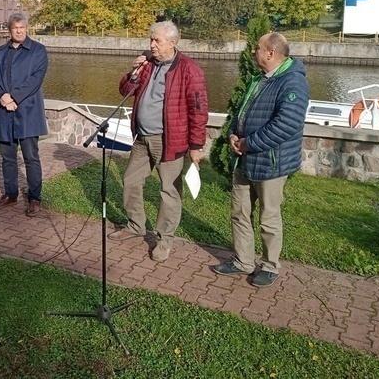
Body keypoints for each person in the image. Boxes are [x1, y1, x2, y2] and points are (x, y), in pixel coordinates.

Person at [211, 32, 309, 288]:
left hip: (271, 163)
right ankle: (243, 261)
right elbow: (240, 112)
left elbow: (286, 125)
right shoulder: (261, 79)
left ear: (271, 53)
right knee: (240, 212)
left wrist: (249, 143)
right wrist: (233, 134)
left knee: (269, 216)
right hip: (245, 160)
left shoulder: (292, 82)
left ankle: (269, 266)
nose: (252, 52)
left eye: (257, 48)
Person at [108, 21, 209, 263]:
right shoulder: (147, 64)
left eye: (157, 41)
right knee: (130, 180)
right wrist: (134, 71)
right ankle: (136, 225)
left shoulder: (189, 70)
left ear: (172, 43)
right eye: (151, 40)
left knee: (169, 191)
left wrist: (196, 146)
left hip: (170, 140)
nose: (152, 45)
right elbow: (125, 90)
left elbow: (198, 110)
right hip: (142, 137)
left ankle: (164, 240)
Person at [0, 12, 48, 216]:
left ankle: (35, 198)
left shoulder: (38, 51)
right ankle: (10, 194)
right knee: (7, 158)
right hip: (4, 113)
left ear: (27, 28)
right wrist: (1, 97)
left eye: (22, 27)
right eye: (15, 28)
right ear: (9, 30)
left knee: (31, 157)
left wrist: (13, 97)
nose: (19, 30)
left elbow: (35, 80)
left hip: (28, 112)